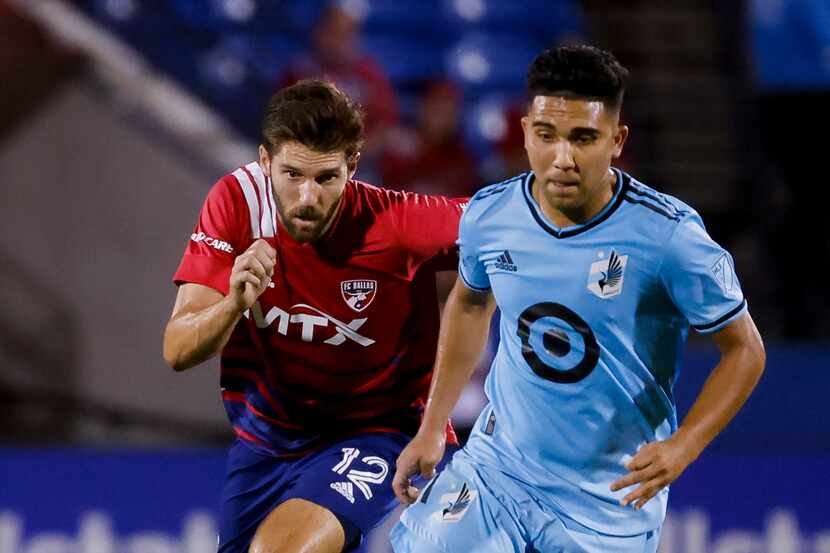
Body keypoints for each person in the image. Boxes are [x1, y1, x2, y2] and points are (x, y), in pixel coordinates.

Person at [390, 45, 766, 553]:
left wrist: (685, 444)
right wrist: (433, 426)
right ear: (525, 132)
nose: (562, 158)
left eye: (583, 138)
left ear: (617, 140)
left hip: (607, 500)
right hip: (500, 470)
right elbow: (471, 303)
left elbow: (744, 350)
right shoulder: (490, 214)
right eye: (546, 136)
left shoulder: (669, 238)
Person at [162, 79, 464, 553]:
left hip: (375, 428)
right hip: (264, 439)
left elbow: (512, 225)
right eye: (292, 175)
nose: (307, 197)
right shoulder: (236, 204)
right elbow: (177, 350)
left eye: (326, 178)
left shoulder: (397, 223)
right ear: (265, 161)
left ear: (352, 167)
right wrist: (233, 303)